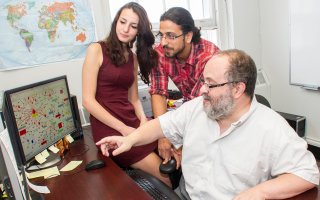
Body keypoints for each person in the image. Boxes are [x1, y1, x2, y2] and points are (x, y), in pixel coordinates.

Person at [96, 49, 319, 199]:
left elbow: (308, 173)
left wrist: (255, 194)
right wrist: (129, 139)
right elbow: (160, 125)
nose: (202, 89)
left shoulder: (271, 127)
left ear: (237, 89)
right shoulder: (197, 108)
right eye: (204, 81)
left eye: (210, 84)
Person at [82, 2, 170, 186]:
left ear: (138, 31)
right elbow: (88, 102)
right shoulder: (96, 50)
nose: (126, 29)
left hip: (130, 121)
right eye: (123, 22)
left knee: (169, 152)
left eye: (133, 26)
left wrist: (144, 123)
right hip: (109, 127)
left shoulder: (133, 57)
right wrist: (124, 129)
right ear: (116, 22)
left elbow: (134, 99)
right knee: (164, 176)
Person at [150, 7, 220, 165]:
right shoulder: (161, 53)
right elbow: (158, 93)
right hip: (192, 108)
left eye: (171, 36)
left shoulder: (209, 57)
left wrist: (180, 144)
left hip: (215, 112)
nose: (163, 42)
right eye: (161, 35)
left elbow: (200, 105)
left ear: (188, 36)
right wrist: (163, 136)